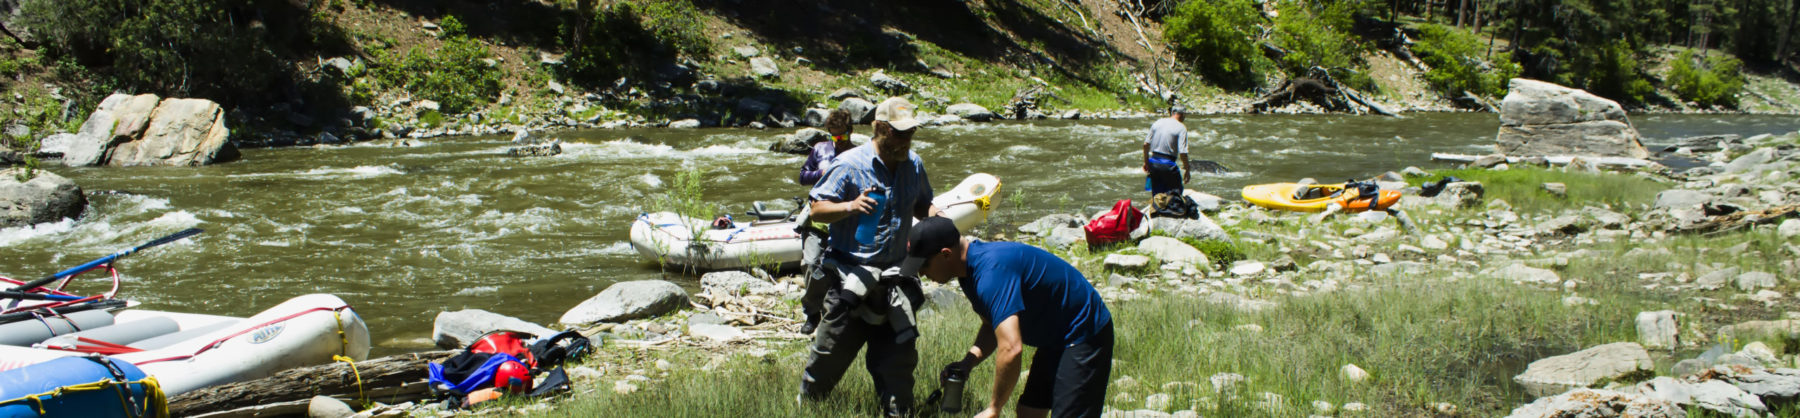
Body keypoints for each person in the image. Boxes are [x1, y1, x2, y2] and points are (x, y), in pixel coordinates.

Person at [799, 97, 941, 416]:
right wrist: (849, 206)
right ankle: (806, 408)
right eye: (898, 133)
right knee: (826, 359)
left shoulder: (914, 164)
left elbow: (922, 204)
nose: (905, 140)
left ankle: (897, 411)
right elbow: (817, 210)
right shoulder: (849, 164)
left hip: (895, 282)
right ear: (878, 127)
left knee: (898, 368)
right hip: (849, 282)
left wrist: (937, 215)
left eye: (910, 133)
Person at [901, 216, 1114, 418]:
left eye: (923, 266)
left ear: (946, 254)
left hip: (1083, 330)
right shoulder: (967, 272)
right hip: (1055, 334)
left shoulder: (991, 272)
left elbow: (1011, 348)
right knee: (1029, 412)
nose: (921, 274)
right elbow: (992, 326)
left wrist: (994, 408)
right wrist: (968, 363)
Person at [795, 109, 857, 335]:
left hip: (845, 220)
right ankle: (812, 313)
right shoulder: (819, 150)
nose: (837, 141)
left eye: (841, 136)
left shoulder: (859, 154)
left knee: (838, 270)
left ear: (850, 132)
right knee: (811, 264)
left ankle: (839, 313)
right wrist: (819, 173)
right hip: (816, 217)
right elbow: (803, 176)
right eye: (833, 136)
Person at [1142, 105, 1191, 197]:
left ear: (1172, 113)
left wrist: (1146, 162)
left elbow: (1146, 144)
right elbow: (1183, 153)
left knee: (1157, 194)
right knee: (1175, 193)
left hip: (1153, 162)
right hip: (1168, 164)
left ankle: (1157, 209)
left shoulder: (1158, 122)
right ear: (1183, 115)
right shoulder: (1181, 127)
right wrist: (1187, 169)